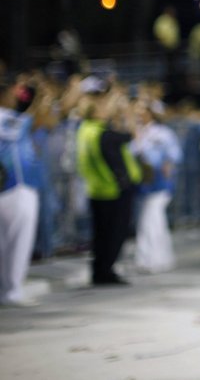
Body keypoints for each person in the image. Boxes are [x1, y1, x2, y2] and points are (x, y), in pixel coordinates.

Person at [77, 88, 141, 286]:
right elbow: (131, 135)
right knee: (114, 235)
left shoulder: (85, 130)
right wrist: (128, 113)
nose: (107, 109)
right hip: (113, 190)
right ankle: (106, 271)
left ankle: (99, 271)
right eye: (102, 106)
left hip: (96, 188)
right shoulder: (102, 133)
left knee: (100, 235)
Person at [0, 79, 43, 306]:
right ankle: (11, 291)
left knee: (7, 243)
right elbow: (38, 119)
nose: (16, 97)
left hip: (16, 186)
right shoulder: (8, 118)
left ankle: (10, 290)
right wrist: (40, 99)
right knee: (17, 243)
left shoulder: (12, 117)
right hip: (15, 186)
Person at [130, 99, 182, 273]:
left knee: (151, 220)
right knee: (151, 222)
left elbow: (174, 155)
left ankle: (151, 260)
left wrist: (168, 165)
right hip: (142, 184)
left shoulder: (162, 133)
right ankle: (160, 258)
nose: (139, 115)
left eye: (142, 111)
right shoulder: (135, 133)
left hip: (159, 183)